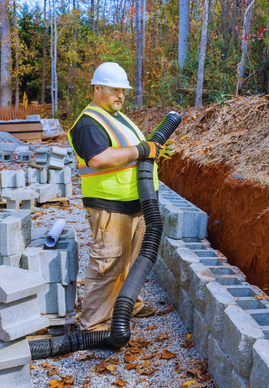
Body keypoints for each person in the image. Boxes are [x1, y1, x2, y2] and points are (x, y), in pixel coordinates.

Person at [68, 62, 173, 332]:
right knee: (109, 265)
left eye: (123, 91)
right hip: (110, 207)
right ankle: (94, 325)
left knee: (131, 261)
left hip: (135, 204)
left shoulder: (118, 116)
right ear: (97, 88)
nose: (121, 96)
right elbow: (99, 158)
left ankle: (127, 304)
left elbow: (133, 150)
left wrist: (155, 150)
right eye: (114, 90)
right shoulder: (88, 123)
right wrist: (141, 150)